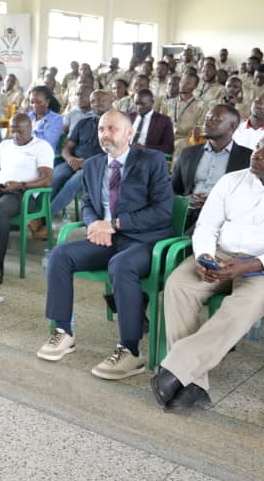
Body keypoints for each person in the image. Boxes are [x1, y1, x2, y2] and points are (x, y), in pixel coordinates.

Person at [150, 132, 264, 412]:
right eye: (258, 148)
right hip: (220, 254)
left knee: (243, 304)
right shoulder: (232, 180)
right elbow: (207, 227)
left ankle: (175, 369)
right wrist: (205, 256)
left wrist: (249, 266)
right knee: (178, 285)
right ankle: (195, 384)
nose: (256, 154)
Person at [37, 111, 174, 380]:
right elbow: (88, 204)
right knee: (60, 255)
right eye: (101, 128)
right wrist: (93, 225)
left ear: (129, 134)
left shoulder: (152, 160)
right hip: (106, 237)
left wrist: (116, 224)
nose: (105, 134)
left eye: (112, 128)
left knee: (121, 264)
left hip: (144, 240)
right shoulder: (93, 164)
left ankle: (130, 350)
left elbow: (163, 211)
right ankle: (63, 332)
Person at [0, 114, 54, 286]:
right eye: (13, 130)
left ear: (30, 129)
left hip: (25, 194)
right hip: (1, 187)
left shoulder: (42, 147)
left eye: (21, 131)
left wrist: (20, 185)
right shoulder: (5, 145)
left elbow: (47, 179)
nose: (16, 135)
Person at [171, 105, 251, 232]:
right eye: (207, 118)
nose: (207, 122)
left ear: (232, 126)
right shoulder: (189, 153)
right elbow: (173, 188)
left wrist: (215, 203)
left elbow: (248, 198)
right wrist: (185, 201)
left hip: (221, 219)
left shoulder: (247, 158)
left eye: (215, 119)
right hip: (186, 213)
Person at [49, 90, 113, 224]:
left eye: (101, 100)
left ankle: (44, 217)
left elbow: (113, 152)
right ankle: (41, 215)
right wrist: (70, 159)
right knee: (54, 177)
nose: (97, 104)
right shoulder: (83, 123)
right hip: (73, 161)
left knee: (73, 183)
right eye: (93, 101)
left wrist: (86, 163)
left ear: (111, 101)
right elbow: (67, 147)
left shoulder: (115, 125)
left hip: (97, 165)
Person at [168, 72, 206, 154]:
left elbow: (200, 127)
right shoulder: (169, 102)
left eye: (188, 83)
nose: (183, 85)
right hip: (168, 137)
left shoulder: (201, 105)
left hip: (186, 138)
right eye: (182, 81)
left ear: (195, 86)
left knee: (179, 145)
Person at [129, 89, 174, 156]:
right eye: (136, 104)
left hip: (147, 157)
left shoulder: (163, 120)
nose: (139, 107)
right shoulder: (129, 117)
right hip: (125, 154)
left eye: (143, 104)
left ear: (152, 102)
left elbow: (168, 148)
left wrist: (145, 148)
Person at [26, 85, 63, 152]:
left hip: (42, 155)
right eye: (32, 102)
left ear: (47, 102)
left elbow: (48, 143)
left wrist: (25, 136)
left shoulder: (56, 119)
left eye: (38, 102)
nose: (34, 105)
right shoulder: (28, 116)